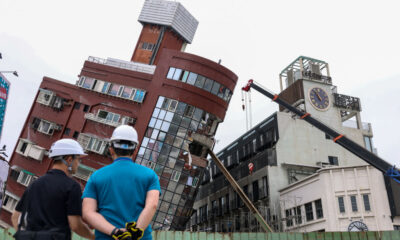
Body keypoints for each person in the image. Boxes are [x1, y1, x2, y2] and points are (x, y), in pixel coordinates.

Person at [82, 125, 160, 240]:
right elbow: (152, 205)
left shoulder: (96, 177)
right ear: (135, 151)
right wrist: (137, 231)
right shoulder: (150, 175)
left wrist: (115, 232)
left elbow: (88, 213)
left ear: (111, 149)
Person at [11, 139, 95, 240]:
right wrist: (93, 237)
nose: (79, 163)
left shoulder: (35, 183)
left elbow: (15, 217)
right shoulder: (72, 186)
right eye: (78, 159)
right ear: (69, 159)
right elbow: (75, 225)